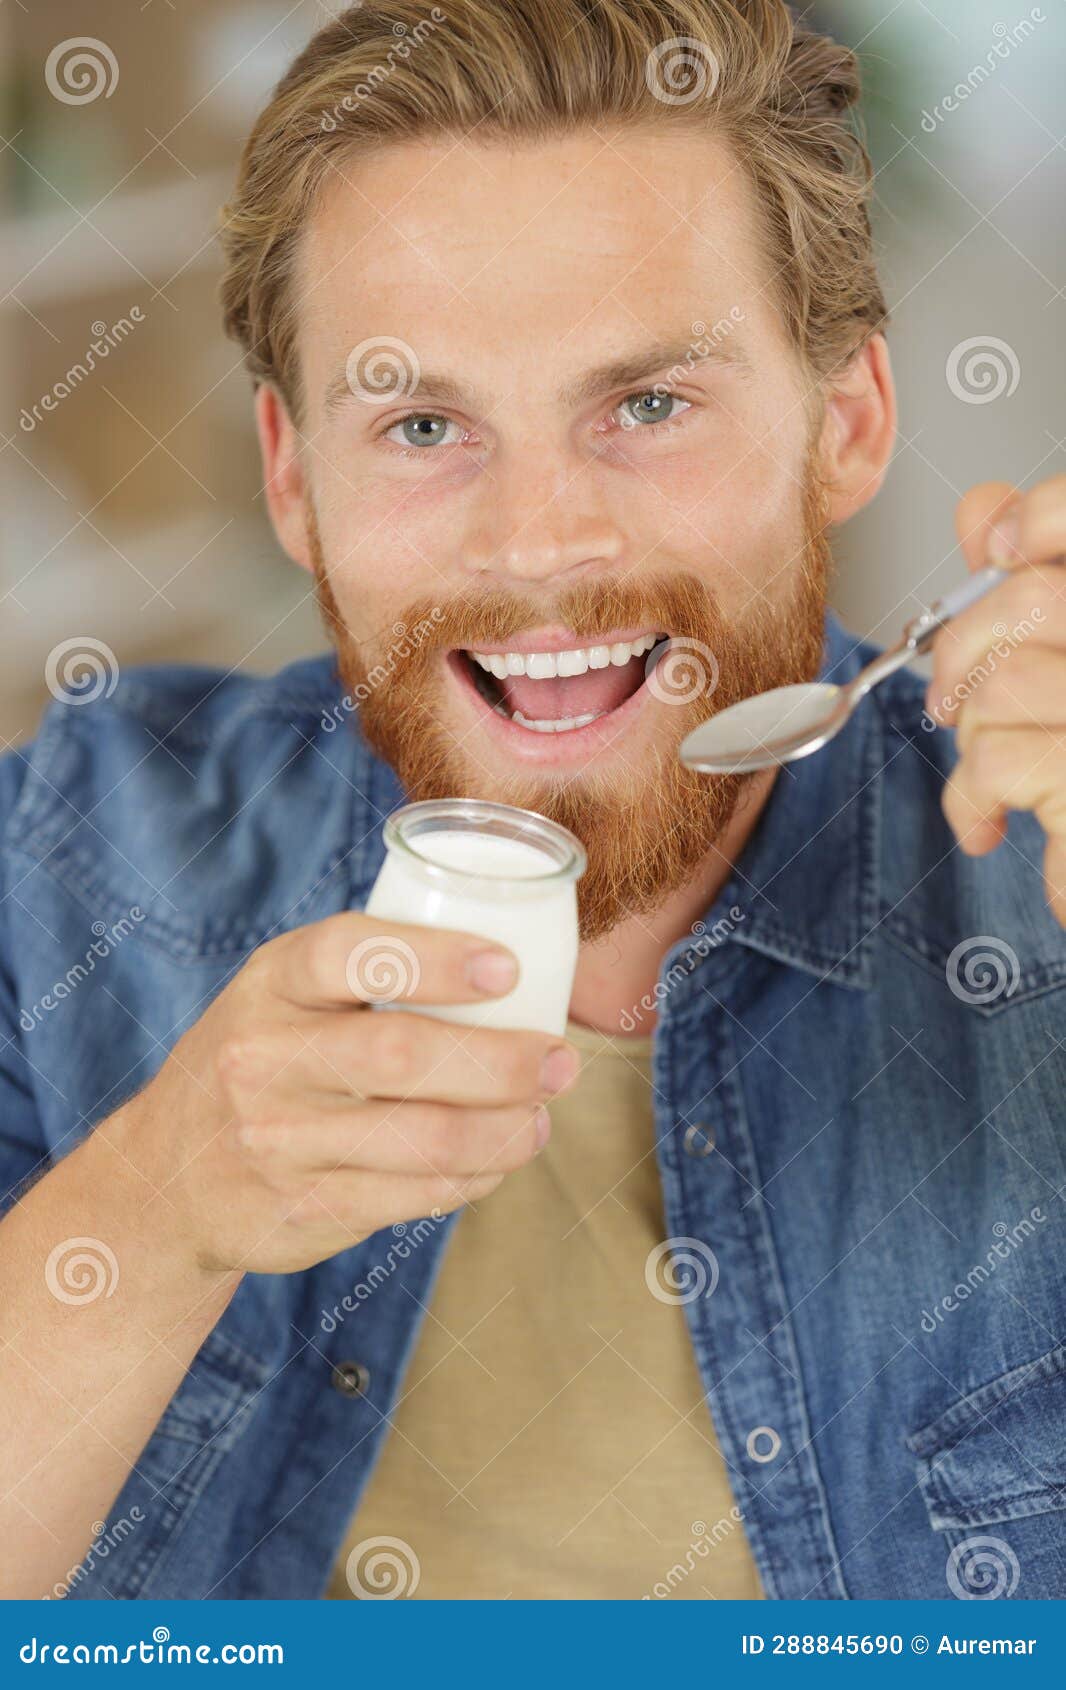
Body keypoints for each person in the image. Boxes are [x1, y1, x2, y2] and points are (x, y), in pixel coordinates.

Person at [2, 0, 1065, 1603]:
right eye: (424, 425)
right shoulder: (73, 861)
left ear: (842, 421)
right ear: (294, 476)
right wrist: (152, 1206)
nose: (540, 546)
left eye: (645, 404)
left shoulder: (1028, 880)